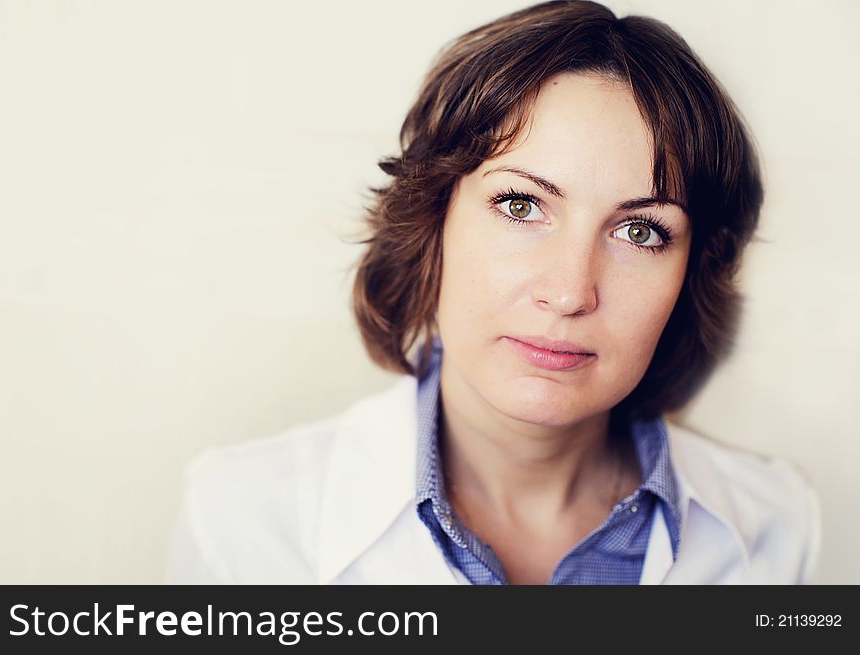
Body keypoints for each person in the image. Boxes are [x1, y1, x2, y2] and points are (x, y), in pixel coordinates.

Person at [165, 0, 820, 584]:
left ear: (689, 278)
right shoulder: (241, 518)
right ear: (433, 223)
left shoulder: (778, 528)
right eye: (520, 204)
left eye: (640, 230)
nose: (570, 292)